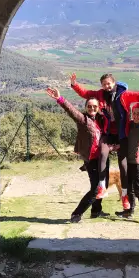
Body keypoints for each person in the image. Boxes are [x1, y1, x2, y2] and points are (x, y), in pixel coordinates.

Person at [70, 72, 139, 211]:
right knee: (102, 155)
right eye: (104, 84)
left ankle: (124, 195)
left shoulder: (124, 95)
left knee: (123, 165)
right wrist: (74, 85)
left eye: (108, 83)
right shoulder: (100, 94)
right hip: (107, 133)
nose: (106, 86)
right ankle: (101, 187)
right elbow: (85, 93)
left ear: (114, 83)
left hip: (122, 134)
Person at [45, 87, 110, 223]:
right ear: (86, 107)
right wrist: (60, 99)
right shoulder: (83, 119)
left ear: (98, 107)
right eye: (89, 106)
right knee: (96, 189)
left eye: (94, 106)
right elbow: (71, 111)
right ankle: (77, 214)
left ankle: (96, 211)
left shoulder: (101, 119)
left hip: (103, 158)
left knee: (103, 185)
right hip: (91, 160)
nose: (92, 108)